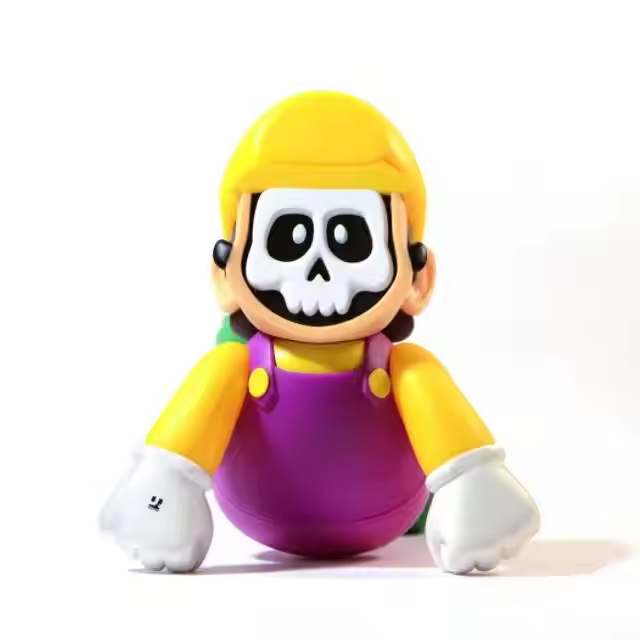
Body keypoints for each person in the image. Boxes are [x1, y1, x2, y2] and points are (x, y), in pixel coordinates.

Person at [100, 91, 539, 573]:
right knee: (220, 368)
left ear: (417, 278)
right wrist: (162, 488)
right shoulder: (234, 364)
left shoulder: (405, 368)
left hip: (388, 515)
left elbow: (446, 425)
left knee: (418, 373)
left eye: (350, 239)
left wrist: (473, 484)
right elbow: (185, 435)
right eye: (288, 238)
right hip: (264, 514)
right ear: (224, 272)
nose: (317, 270)